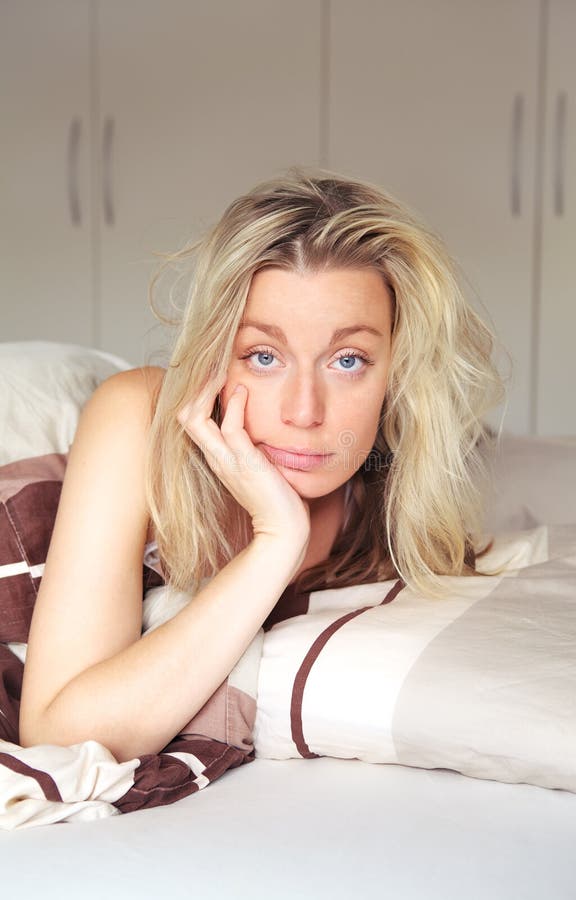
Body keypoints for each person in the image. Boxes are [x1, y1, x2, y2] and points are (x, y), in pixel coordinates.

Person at [18, 167, 503, 763]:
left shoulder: (385, 485)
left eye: (348, 360)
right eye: (264, 356)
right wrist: (277, 543)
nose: (305, 412)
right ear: (217, 355)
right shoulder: (135, 415)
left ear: (395, 372)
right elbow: (59, 739)